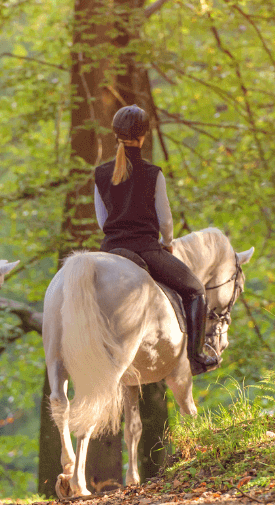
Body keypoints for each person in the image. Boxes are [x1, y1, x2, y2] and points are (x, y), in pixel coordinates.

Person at [93, 105, 219, 375]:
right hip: (146, 249)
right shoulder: (153, 173)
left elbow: (102, 221)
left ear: (116, 135)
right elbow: (165, 220)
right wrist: (168, 242)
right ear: (144, 136)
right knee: (196, 291)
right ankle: (195, 358)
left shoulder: (101, 174)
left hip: (110, 251)